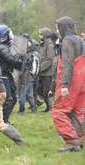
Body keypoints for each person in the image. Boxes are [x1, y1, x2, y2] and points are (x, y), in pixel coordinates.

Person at [51, 16, 85, 152]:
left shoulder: (67, 41)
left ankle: (71, 141)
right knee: (78, 111)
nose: (57, 31)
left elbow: (67, 64)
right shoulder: (81, 40)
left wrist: (64, 85)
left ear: (63, 27)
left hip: (71, 81)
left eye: (58, 27)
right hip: (82, 80)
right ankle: (80, 138)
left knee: (58, 111)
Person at [0, 24, 24, 123]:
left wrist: (20, 64)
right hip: (3, 76)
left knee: (13, 98)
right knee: (8, 100)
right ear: (6, 35)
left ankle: (4, 120)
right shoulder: (1, 47)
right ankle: (3, 121)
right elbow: (11, 59)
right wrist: (21, 60)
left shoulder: (3, 46)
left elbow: (11, 62)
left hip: (6, 74)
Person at [18, 39, 39, 113]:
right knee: (30, 93)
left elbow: (35, 66)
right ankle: (33, 109)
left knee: (23, 93)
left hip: (28, 75)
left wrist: (31, 74)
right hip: (27, 74)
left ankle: (21, 110)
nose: (27, 44)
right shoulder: (28, 53)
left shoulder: (33, 54)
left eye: (29, 43)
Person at [38, 27, 55, 112]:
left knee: (46, 92)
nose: (39, 35)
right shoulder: (42, 44)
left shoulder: (50, 45)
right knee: (39, 90)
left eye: (41, 34)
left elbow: (50, 59)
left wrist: (39, 68)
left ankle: (51, 108)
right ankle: (48, 107)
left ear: (45, 35)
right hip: (41, 73)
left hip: (47, 73)